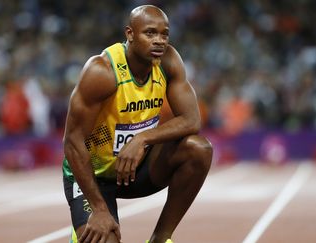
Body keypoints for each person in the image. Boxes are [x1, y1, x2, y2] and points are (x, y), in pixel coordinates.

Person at [62, 5, 212, 243]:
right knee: (103, 239)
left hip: (134, 168)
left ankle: (160, 239)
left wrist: (142, 138)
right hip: (95, 176)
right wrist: (99, 209)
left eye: (165, 34)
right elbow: (72, 142)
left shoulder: (168, 62)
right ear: (130, 34)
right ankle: (83, 228)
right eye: (150, 33)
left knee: (199, 149)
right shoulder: (103, 72)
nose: (159, 41)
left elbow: (192, 120)